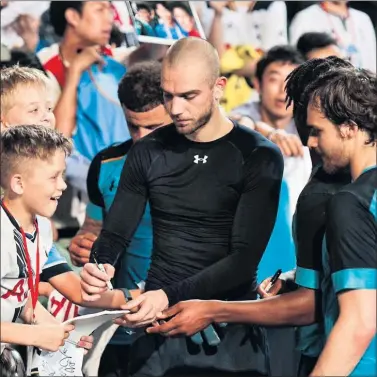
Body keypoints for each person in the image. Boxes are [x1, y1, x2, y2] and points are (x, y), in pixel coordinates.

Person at [147, 57, 377, 376]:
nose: (307, 140)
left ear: (348, 125)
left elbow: (344, 315)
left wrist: (212, 309)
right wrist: (299, 277)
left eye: (314, 127)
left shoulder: (334, 198)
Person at [80, 37, 284, 377]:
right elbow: (115, 233)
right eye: (167, 95)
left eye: (189, 96)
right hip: (158, 332)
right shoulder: (148, 151)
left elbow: (243, 259)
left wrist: (165, 295)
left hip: (227, 332)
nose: (175, 109)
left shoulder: (257, 155)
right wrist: (99, 268)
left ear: (218, 87)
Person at [69, 61, 171, 377]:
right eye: (132, 126)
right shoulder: (105, 163)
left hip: (179, 321)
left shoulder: (203, 167)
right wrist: (83, 246)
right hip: (120, 325)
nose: (141, 138)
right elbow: (93, 231)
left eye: (153, 128)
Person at [0, 126, 92, 372]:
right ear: (18, 183)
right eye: (53, 177)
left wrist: (63, 336)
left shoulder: (40, 226)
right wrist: (36, 337)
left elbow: (21, 301)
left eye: (62, 175)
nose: (62, 185)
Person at [290, 1, 376, 72]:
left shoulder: (363, 18)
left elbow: (372, 62)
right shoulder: (305, 17)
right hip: (324, 86)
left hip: (361, 87)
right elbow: (296, 64)